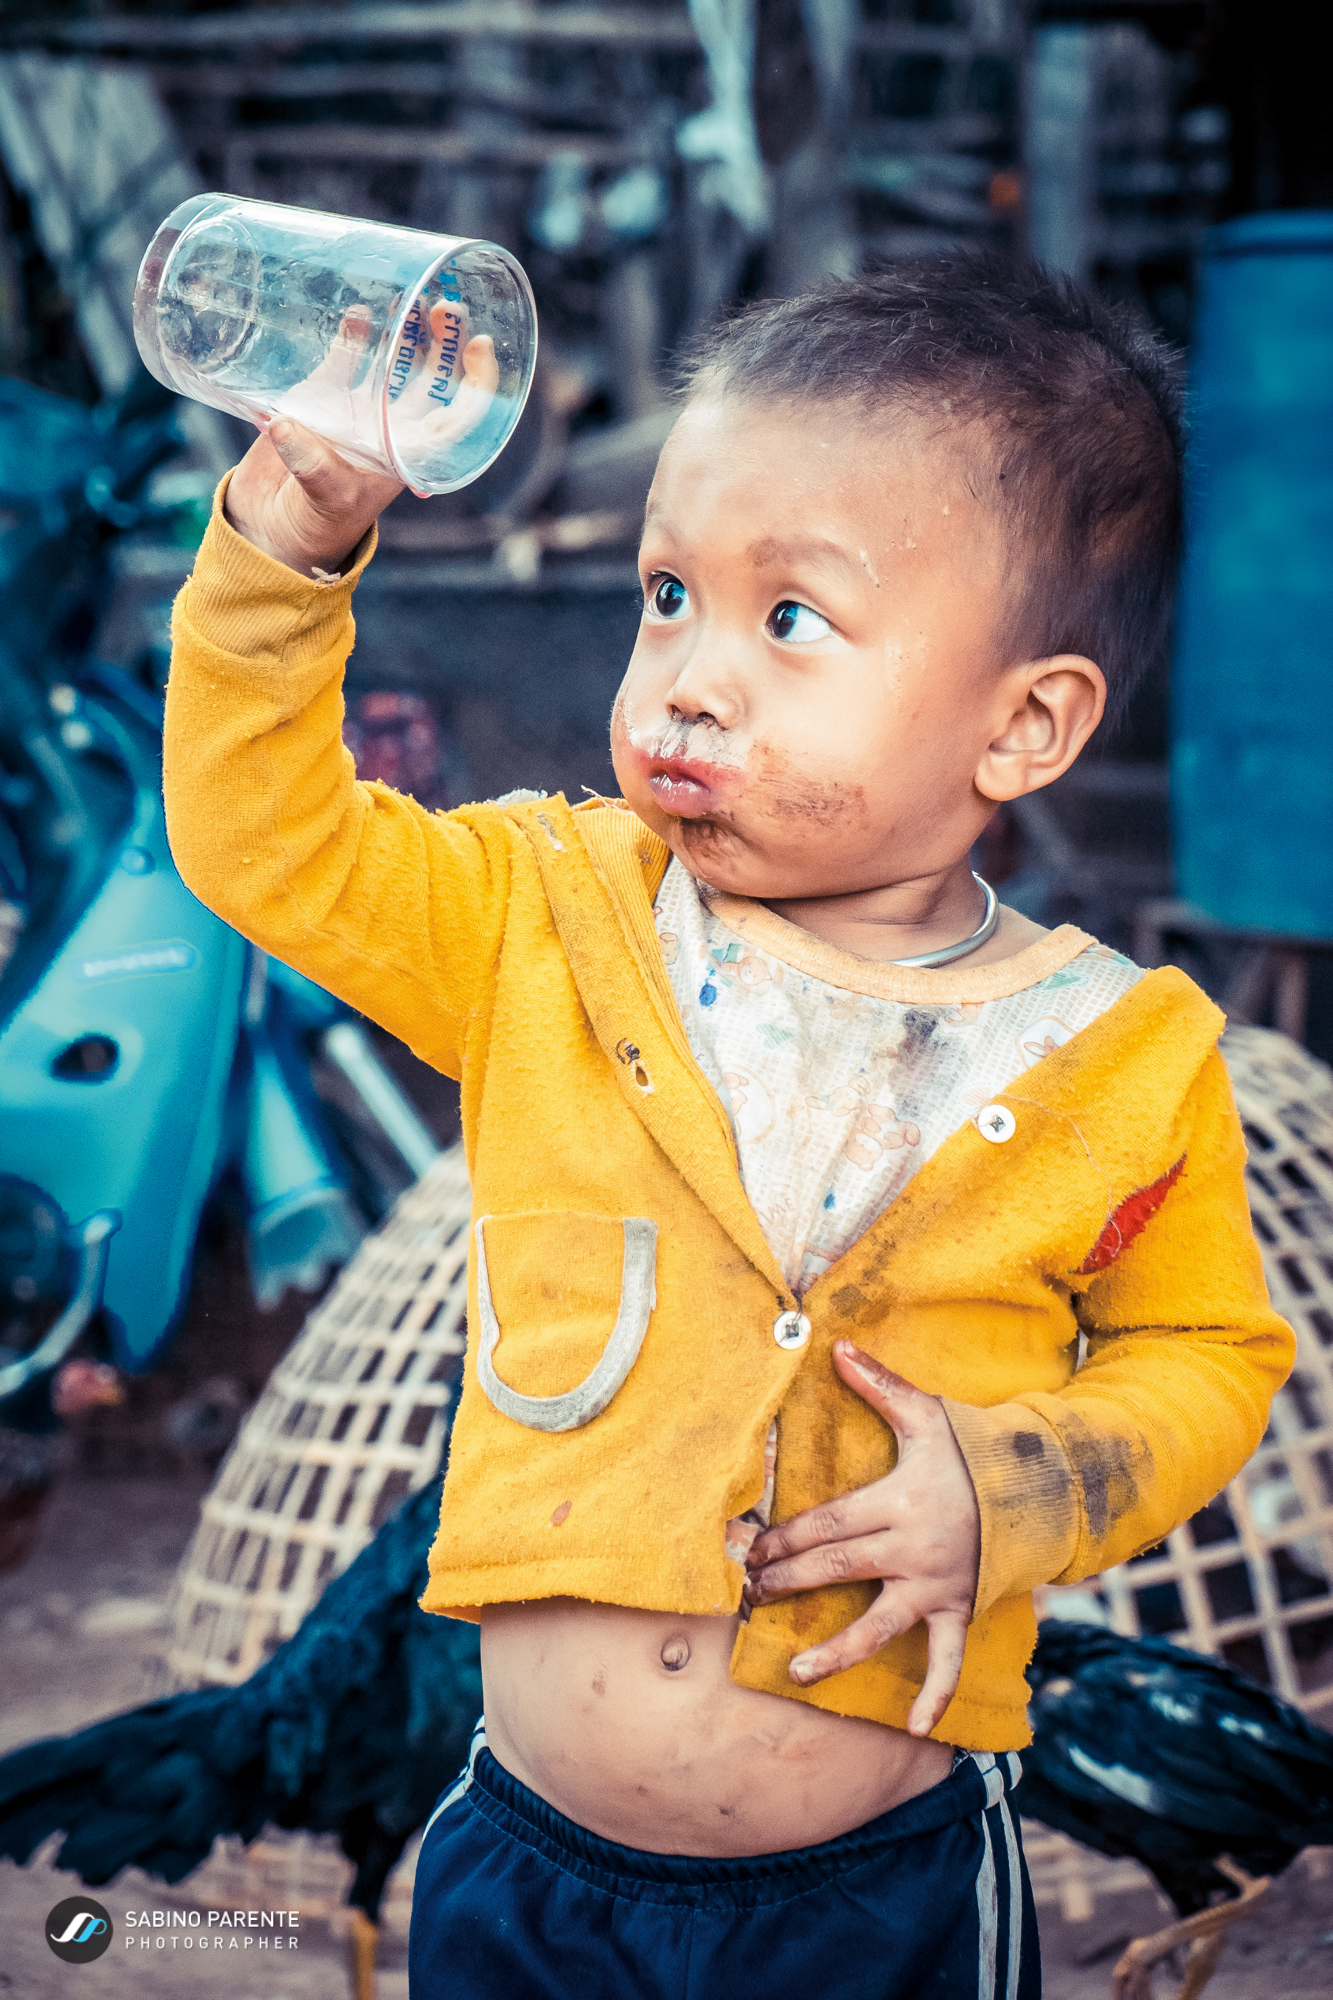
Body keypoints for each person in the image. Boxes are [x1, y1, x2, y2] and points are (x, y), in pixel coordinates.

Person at [162, 254, 1293, 1999]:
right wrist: (282, 564)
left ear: (1023, 723)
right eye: (665, 594)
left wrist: (1017, 1492)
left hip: (885, 1892)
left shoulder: (1116, 1056)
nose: (687, 678)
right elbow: (265, 841)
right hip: (524, 1868)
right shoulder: (544, 920)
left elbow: (1208, 1349)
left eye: (787, 621)